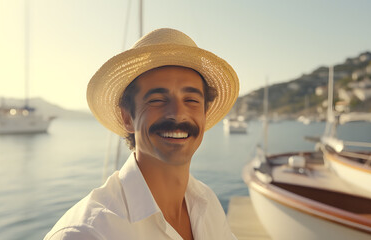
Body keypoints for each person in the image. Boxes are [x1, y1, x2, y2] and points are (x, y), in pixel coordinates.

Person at [44, 28, 239, 240]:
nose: (178, 114)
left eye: (191, 100)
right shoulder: (88, 232)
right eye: (156, 100)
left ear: (204, 113)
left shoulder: (206, 202)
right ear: (127, 117)